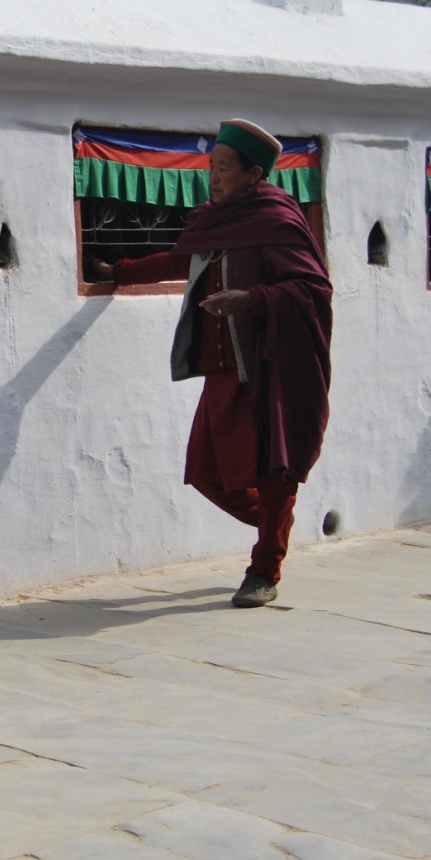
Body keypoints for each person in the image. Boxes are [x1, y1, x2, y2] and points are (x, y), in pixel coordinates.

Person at [94, 119, 332, 608]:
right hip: (223, 373)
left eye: (225, 168)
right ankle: (274, 524)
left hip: (269, 368)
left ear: (254, 174)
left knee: (274, 471)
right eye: (211, 166)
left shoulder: (277, 220)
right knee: (206, 474)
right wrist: (119, 271)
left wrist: (253, 298)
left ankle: (264, 569)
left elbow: (312, 289)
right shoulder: (213, 221)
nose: (214, 176)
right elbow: (179, 261)